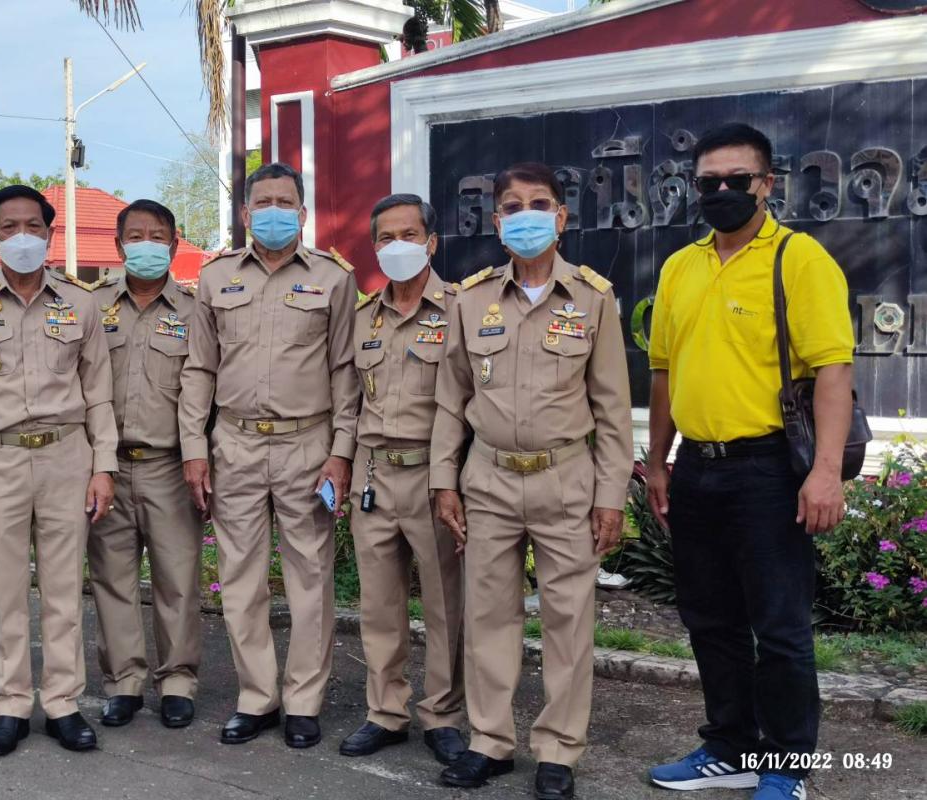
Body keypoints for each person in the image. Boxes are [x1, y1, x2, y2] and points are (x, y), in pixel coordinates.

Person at [645, 124, 853, 800]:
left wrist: (825, 472)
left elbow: (832, 371)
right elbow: (663, 373)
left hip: (769, 471)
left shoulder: (799, 259)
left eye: (738, 180)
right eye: (709, 182)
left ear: (767, 184)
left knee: (781, 631)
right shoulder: (679, 267)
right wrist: (657, 462)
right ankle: (730, 747)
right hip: (697, 470)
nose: (723, 191)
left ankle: (786, 767)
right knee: (710, 622)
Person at [431, 162, 632, 799]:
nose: (526, 216)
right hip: (488, 477)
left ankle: (559, 751)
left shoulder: (593, 298)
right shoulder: (471, 299)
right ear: (497, 222)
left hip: (565, 478)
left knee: (567, 621)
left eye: (538, 204)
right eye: (512, 207)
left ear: (561, 217)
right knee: (488, 616)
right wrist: (443, 481)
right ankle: (490, 741)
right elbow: (450, 399)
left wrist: (610, 496)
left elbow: (612, 409)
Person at [179, 162, 359, 749]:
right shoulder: (216, 277)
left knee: (311, 578)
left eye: (286, 202)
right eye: (264, 202)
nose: (274, 211)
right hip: (234, 443)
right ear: (245, 212)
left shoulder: (333, 278)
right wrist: (194, 448)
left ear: (303, 214)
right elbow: (199, 368)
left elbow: (345, 371)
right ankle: (256, 697)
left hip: (308, 444)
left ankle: (304, 701)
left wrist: (341, 452)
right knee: (240, 578)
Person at [0, 184, 118, 757]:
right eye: (9, 227)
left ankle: (62, 703)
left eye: (33, 226)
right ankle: (10, 703)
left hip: (67, 457)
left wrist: (103, 466)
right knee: (4, 591)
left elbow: (99, 393)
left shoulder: (80, 302)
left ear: (50, 233)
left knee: (64, 590)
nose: (22, 236)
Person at [338, 194, 467, 766]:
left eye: (409, 235)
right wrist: (341, 462)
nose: (398, 247)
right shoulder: (364, 317)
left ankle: (442, 714)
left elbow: (467, 402)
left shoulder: (459, 309)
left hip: (433, 477)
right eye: (386, 238)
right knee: (379, 605)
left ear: (432, 242)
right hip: (373, 475)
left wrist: (451, 481)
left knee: (444, 602)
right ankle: (385, 711)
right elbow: (349, 402)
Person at [87, 199, 204, 729]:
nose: (146, 245)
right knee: (112, 579)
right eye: (135, 236)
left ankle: (177, 680)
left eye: (157, 237)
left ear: (174, 246)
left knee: (177, 579)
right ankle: (124, 682)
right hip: (107, 465)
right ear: (118, 246)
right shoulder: (91, 307)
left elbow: (207, 390)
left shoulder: (196, 311)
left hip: (170, 465)